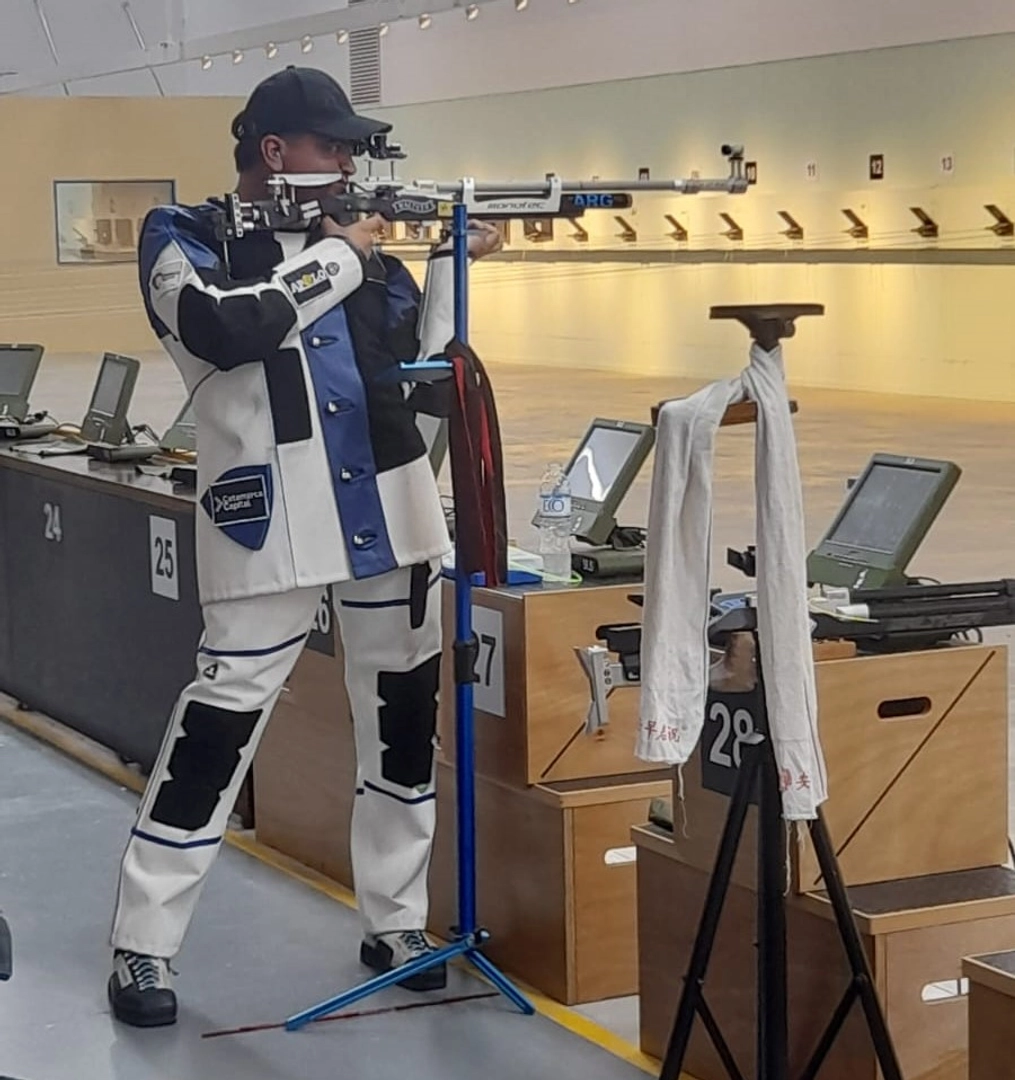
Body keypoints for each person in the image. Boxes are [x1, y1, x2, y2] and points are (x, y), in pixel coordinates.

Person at [106, 65, 502, 1028]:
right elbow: (222, 329)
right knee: (216, 732)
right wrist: (336, 261)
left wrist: (454, 259)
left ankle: (397, 919)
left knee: (405, 724)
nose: (352, 163)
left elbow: (425, 367)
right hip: (267, 520)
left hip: (388, 512)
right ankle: (142, 946)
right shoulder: (186, 237)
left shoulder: (360, 250)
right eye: (336, 147)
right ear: (276, 154)